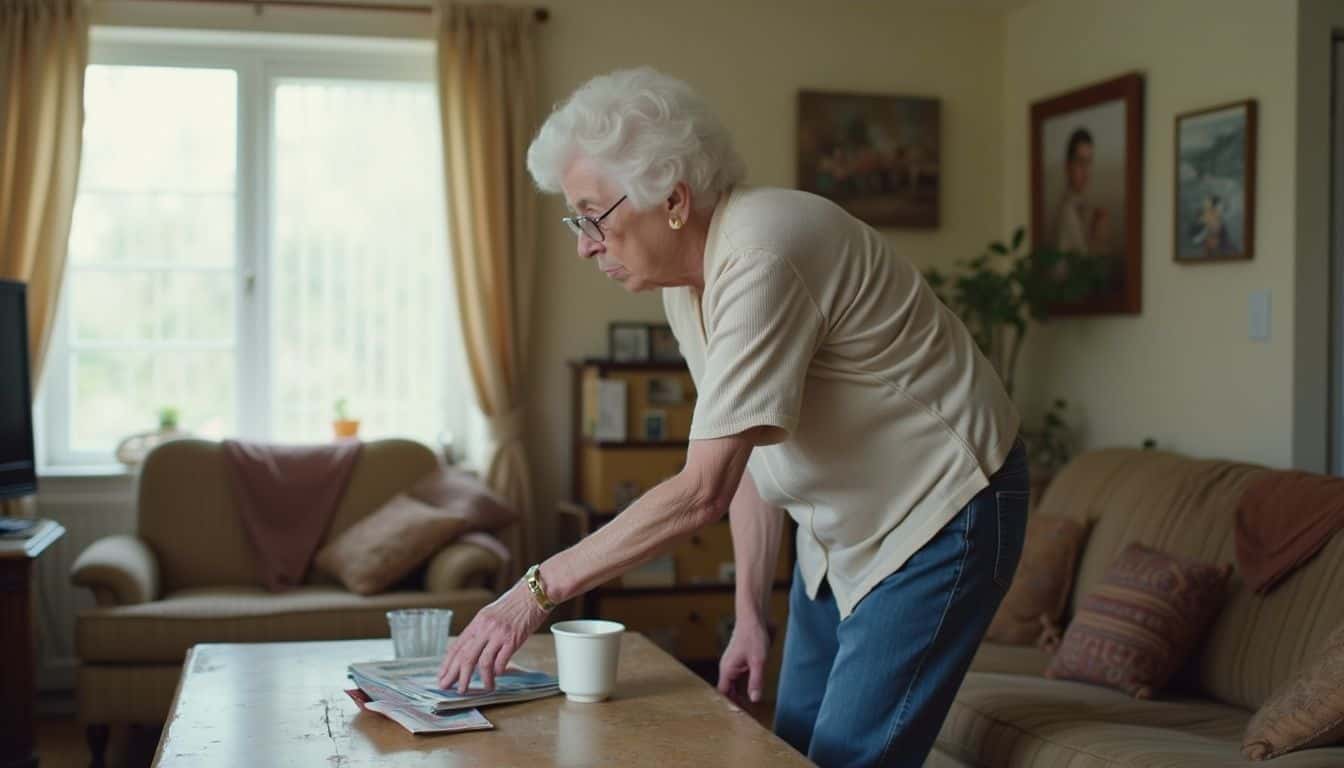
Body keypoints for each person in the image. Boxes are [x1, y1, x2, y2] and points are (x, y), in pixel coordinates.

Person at [436, 67, 1028, 768]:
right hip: (839, 533)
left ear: (674, 199)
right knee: (791, 745)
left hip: (943, 510)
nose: (585, 244)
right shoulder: (687, 285)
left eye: (594, 216)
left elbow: (700, 489)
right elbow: (743, 459)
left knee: (843, 757)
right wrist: (750, 612)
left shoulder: (763, 250)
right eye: (578, 219)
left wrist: (535, 590)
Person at [1053, 127, 1109, 255]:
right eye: (1080, 162)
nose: (1086, 171)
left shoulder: (1084, 205)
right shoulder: (1067, 211)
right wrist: (1097, 237)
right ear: (1068, 166)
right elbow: (1083, 266)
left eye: (1089, 162)